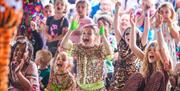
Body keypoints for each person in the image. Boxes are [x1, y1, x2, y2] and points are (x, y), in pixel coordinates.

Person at [122, 12, 172, 91]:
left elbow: (161, 48)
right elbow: (133, 46)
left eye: (155, 50)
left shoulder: (165, 64)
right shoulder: (147, 61)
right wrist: (133, 26)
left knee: (158, 74)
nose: (151, 52)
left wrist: (158, 29)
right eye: (149, 50)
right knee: (137, 76)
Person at [60, 18, 113, 90]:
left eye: (89, 33)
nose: (85, 36)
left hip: (97, 88)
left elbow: (109, 53)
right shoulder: (78, 48)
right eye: (84, 33)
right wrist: (70, 30)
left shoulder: (99, 49)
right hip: (81, 87)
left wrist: (102, 35)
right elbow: (63, 45)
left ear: (95, 36)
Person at [110, 2, 148, 90]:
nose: (128, 36)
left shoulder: (139, 46)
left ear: (137, 36)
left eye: (132, 34)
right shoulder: (121, 44)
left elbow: (146, 30)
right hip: (118, 82)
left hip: (133, 83)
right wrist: (117, 10)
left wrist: (146, 13)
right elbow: (116, 27)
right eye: (126, 34)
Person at [156, 2, 179, 68]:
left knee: (170, 65)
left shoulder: (172, 24)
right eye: (162, 12)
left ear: (171, 13)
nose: (164, 14)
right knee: (159, 65)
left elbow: (176, 36)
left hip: (169, 48)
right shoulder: (157, 23)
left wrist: (170, 26)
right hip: (159, 47)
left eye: (166, 12)